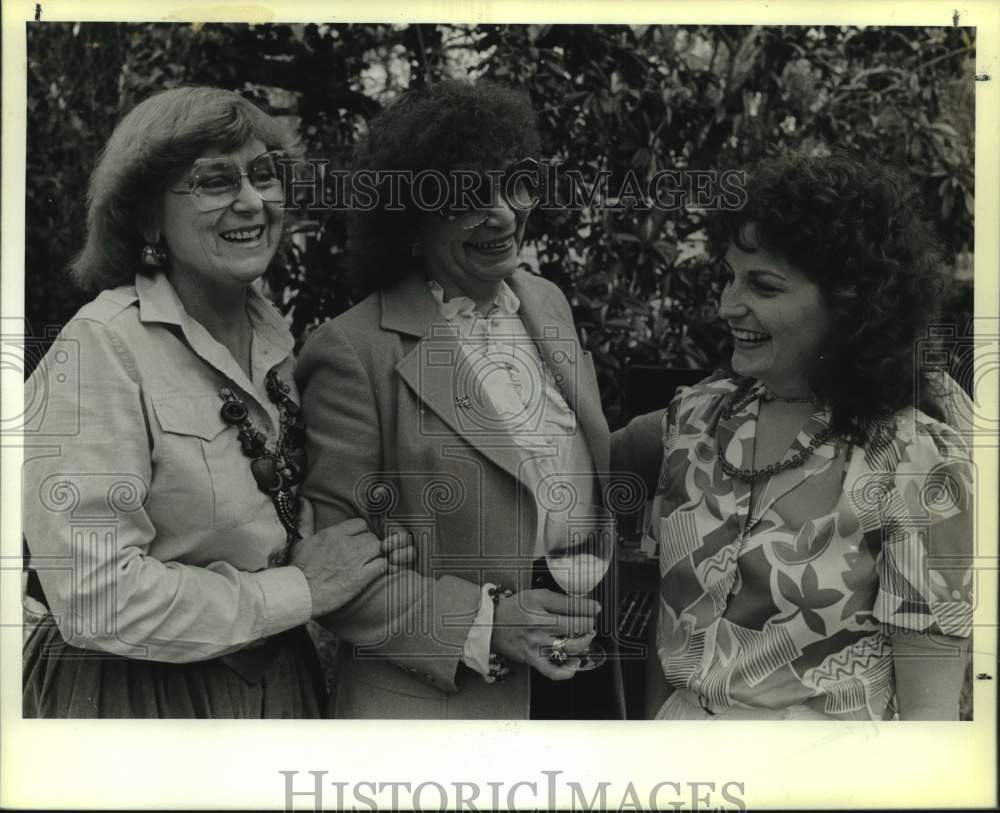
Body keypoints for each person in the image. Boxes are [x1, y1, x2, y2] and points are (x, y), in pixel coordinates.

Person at [21, 86, 412, 718]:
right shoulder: (100, 348)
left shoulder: (277, 344)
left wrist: (364, 546)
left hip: (278, 686)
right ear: (148, 218)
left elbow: (270, 523)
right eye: (215, 181)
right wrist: (299, 589)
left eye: (264, 174)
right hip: (138, 702)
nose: (252, 200)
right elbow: (94, 597)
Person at [296, 79, 626, 719]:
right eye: (469, 197)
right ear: (410, 219)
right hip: (447, 710)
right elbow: (331, 572)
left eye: (514, 184)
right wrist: (487, 624)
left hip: (578, 663)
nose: (502, 214)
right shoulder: (353, 351)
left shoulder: (545, 301)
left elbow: (576, 466)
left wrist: (706, 418)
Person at [634, 153, 973, 720]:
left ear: (849, 305)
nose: (726, 305)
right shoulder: (692, 421)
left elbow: (929, 717)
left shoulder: (918, 460)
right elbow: (663, 628)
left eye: (763, 286)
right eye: (729, 276)